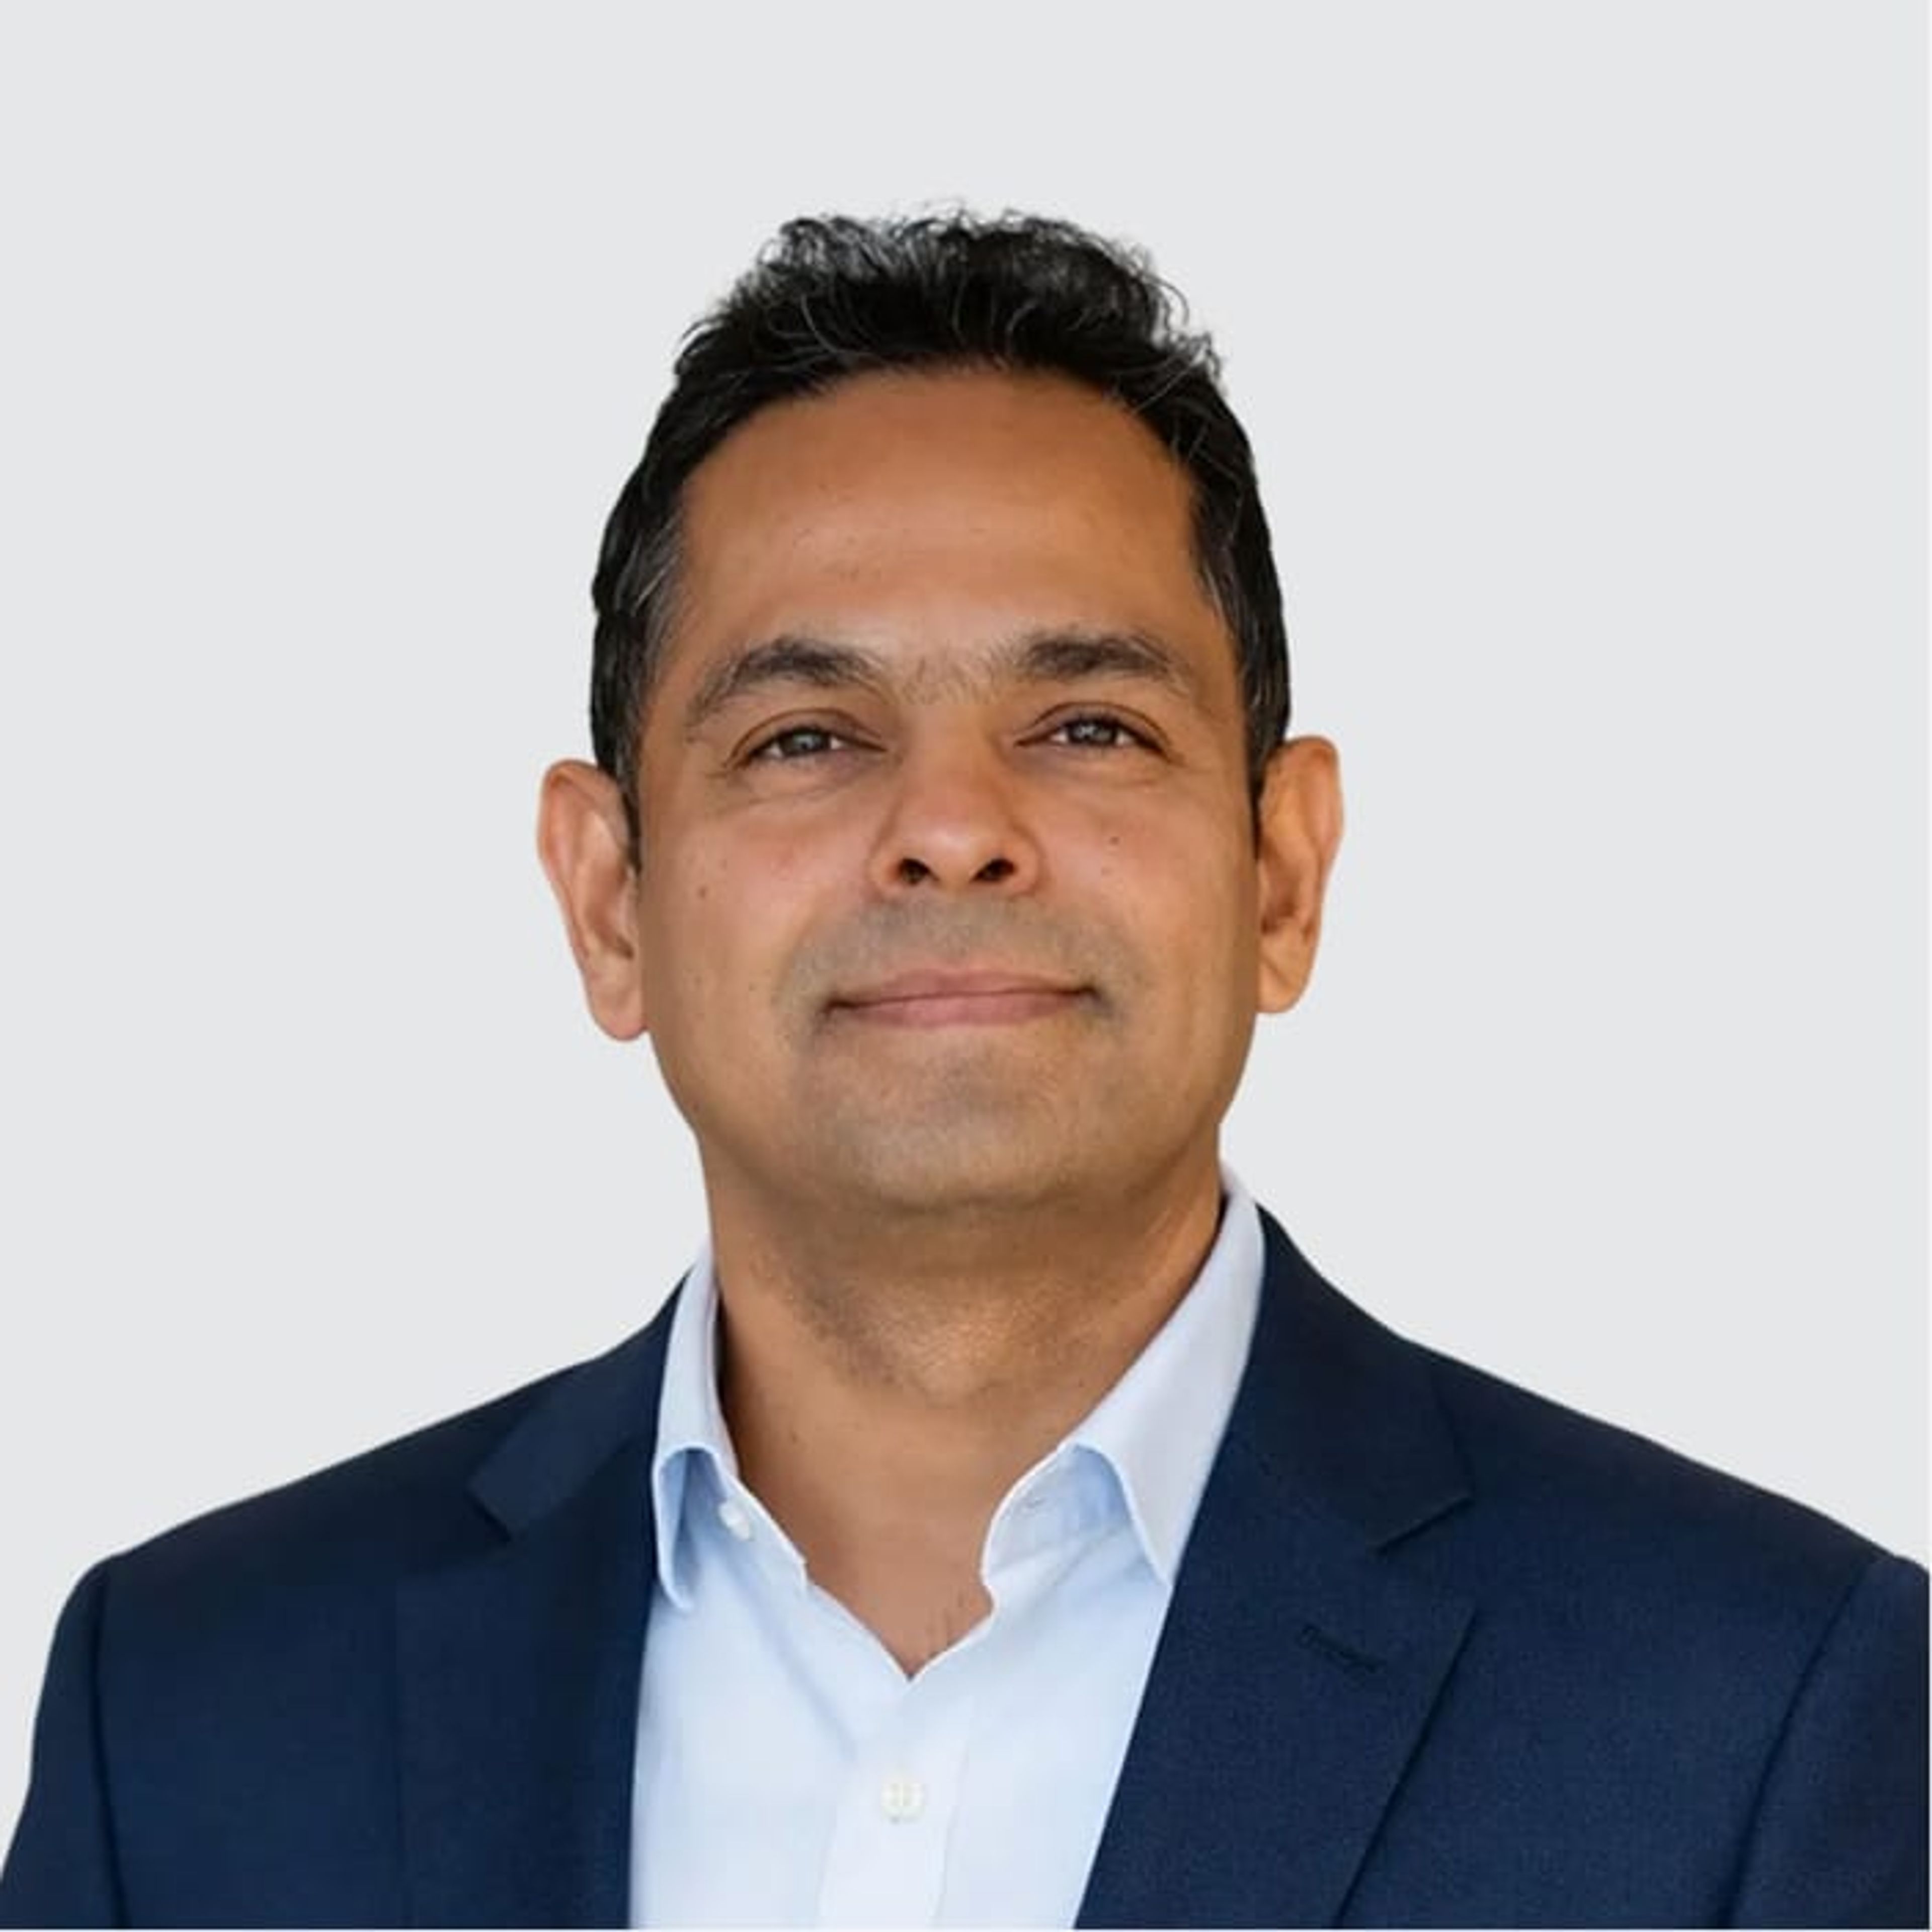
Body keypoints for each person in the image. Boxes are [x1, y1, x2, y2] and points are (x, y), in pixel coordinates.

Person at [1, 211, 1922, 1930]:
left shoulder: (1767, 1710)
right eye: (805, 738)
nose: (951, 831)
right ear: (609, 898)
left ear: (1280, 869)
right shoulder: (184, 1712)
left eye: (1086, 723)